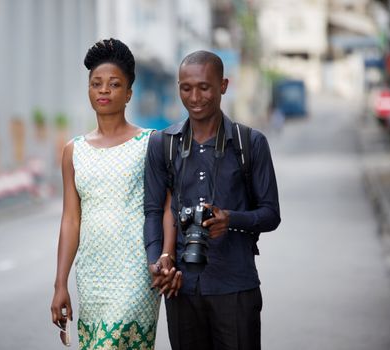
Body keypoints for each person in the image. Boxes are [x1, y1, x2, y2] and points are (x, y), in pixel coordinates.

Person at [144, 50, 281, 349]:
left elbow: (271, 214)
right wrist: (158, 262)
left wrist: (231, 220)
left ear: (223, 85)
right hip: (181, 288)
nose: (195, 97)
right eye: (186, 87)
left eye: (204, 87)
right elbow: (154, 212)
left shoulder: (250, 143)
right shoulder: (162, 144)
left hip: (235, 286)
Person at [50, 38, 177, 350]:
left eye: (114, 84)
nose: (104, 90)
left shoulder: (151, 143)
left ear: (128, 93)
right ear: (89, 90)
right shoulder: (73, 151)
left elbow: (167, 206)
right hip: (92, 276)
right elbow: (70, 220)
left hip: (137, 270)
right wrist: (60, 283)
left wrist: (166, 255)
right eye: (97, 83)